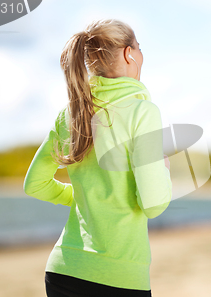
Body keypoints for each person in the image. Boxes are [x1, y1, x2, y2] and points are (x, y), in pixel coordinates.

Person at [23, 19, 172, 297]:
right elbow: (153, 205)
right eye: (139, 48)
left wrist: (84, 197)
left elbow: (35, 184)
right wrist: (163, 168)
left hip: (63, 271)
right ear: (129, 53)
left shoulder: (70, 113)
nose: (141, 55)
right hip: (119, 277)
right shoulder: (143, 112)